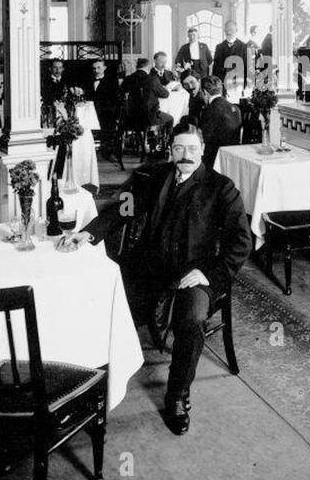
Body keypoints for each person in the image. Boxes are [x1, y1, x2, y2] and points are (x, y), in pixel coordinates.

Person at [63, 121, 250, 435]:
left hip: (194, 274)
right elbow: (123, 209)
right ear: (170, 149)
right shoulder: (156, 176)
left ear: (203, 150)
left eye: (192, 148)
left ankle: (178, 393)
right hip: (151, 268)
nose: (185, 155)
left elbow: (241, 242)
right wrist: (89, 233)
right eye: (179, 148)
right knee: (107, 303)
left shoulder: (222, 188)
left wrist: (207, 274)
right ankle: (94, 387)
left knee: (191, 319)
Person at [198, 75, 241, 169]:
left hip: (214, 160)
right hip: (234, 157)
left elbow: (204, 138)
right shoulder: (236, 108)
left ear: (205, 92)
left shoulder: (210, 110)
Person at [120, 57, 173, 132]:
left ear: (137, 67)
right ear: (148, 67)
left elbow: (121, 94)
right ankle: (166, 142)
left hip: (132, 116)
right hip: (149, 117)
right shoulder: (152, 79)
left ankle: (139, 139)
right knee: (170, 119)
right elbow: (165, 94)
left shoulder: (128, 79)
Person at [212, 19, 250, 88]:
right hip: (222, 83)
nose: (229, 32)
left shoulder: (244, 47)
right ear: (224, 31)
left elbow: (247, 67)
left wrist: (245, 85)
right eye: (227, 30)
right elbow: (215, 67)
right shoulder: (219, 47)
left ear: (236, 30)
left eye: (231, 29)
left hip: (238, 83)